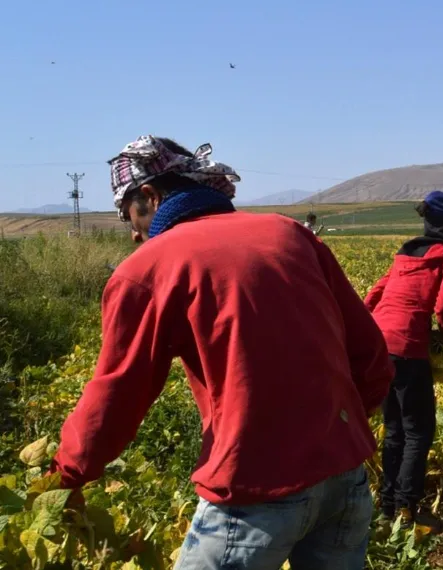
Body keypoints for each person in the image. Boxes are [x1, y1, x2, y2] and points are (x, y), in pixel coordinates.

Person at [51, 136, 393, 570]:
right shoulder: (288, 233)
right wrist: (337, 431)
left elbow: (118, 393)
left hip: (255, 493)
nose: (134, 233)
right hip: (345, 478)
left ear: (151, 197)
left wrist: (67, 475)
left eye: (128, 216)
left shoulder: (150, 266)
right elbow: (369, 353)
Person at [365, 191, 443, 525]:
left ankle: (387, 508)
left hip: (380, 346)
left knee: (395, 428)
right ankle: (405, 508)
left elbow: (373, 295)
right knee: (418, 431)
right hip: (409, 347)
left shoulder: (404, 254)